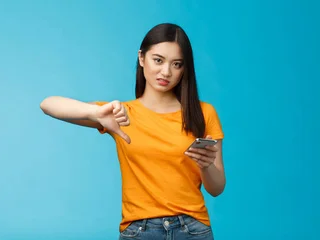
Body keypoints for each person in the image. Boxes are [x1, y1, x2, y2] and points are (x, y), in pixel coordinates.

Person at [39, 23, 225, 240]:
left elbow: (216, 187)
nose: (166, 72)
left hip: (193, 230)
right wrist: (95, 112)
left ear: (184, 69)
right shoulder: (120, 114)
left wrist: (205, 165)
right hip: (140, 230)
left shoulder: (203, 113)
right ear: (141, 58)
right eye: (158, 60)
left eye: (176, 64)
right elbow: (48, 104)